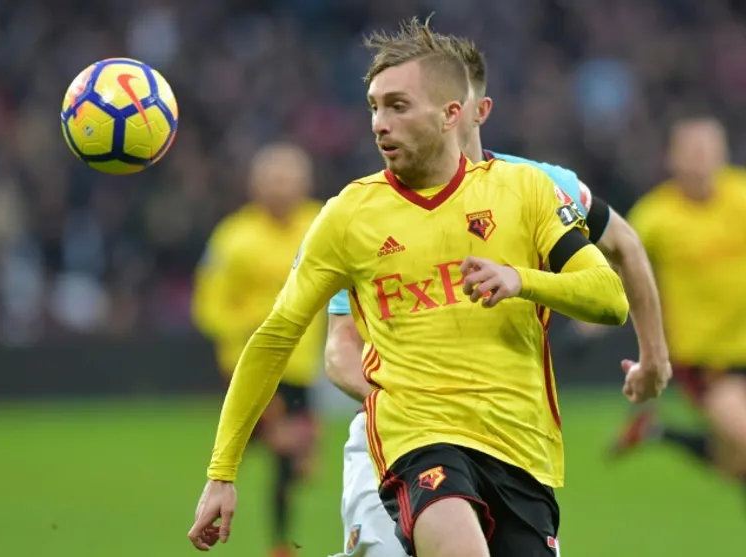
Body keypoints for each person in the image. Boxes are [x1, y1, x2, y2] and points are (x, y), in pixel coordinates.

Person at [188, 17, 633, 557]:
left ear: (451, 114)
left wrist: (521, 279)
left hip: (521, 448)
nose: (380, 123)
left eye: (398, 106)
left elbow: (609, 297)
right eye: (374, 107)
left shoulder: (525, 191)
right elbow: (276, 335)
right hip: (418, 441)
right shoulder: (349, 215)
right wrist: (222, 472)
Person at [326, 31, 671, 557]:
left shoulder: (538, 185)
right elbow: (340, 345)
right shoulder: (367, 213)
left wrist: (654, 358)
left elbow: (624, 246)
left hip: (506, 441)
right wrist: (408, 401)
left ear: (474, 110)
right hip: (402, 443)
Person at [190, 142, 325, 557]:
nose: (281, 188)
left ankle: (276, 539)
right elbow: (207, 305)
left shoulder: (322, 223)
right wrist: (248, 327)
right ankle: (271, 540)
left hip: (300, 367)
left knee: (295, 467)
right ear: (255, 184)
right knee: (279, 451)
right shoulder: (233, 236)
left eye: (289, 179)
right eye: (273, 179)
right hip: (248, 367)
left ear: (305, 182)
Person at [610, 117, 746, 483]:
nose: (701, 160)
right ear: (673, 158)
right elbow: (616, 270)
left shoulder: (741, 195)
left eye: (708, 150)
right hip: (705, 360)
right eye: (692, 151)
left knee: (736, 463)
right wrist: (586, 324)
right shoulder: (655, 216)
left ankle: (657, 432)